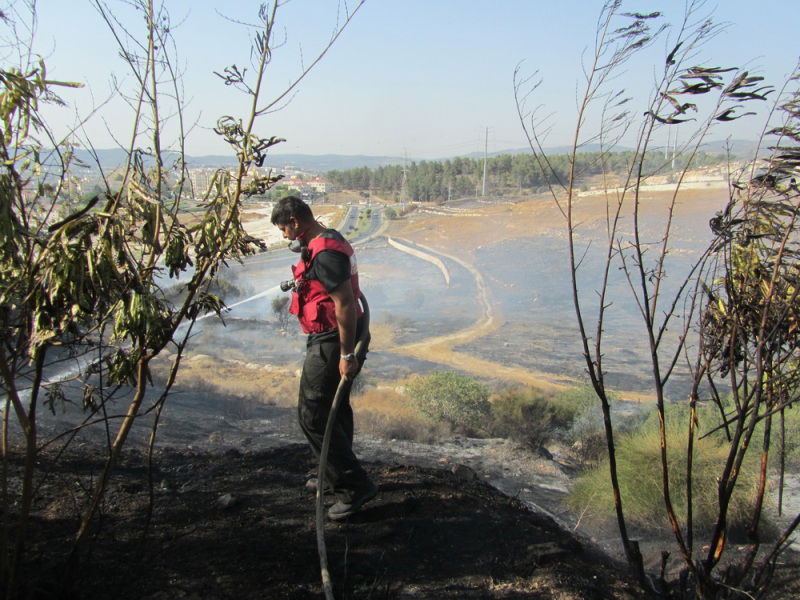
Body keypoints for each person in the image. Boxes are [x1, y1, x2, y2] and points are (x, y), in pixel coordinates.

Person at [271, 196, 377, 520]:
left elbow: (344, 303)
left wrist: (347, 355)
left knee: (313, 414)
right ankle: (333, 476)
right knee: (336, 409)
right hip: (330, 337)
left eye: (283, 230)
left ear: (294, 222)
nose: (283, 237)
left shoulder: (327, 252)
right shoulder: (322, 242)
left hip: (332, 340)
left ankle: (352, 487)